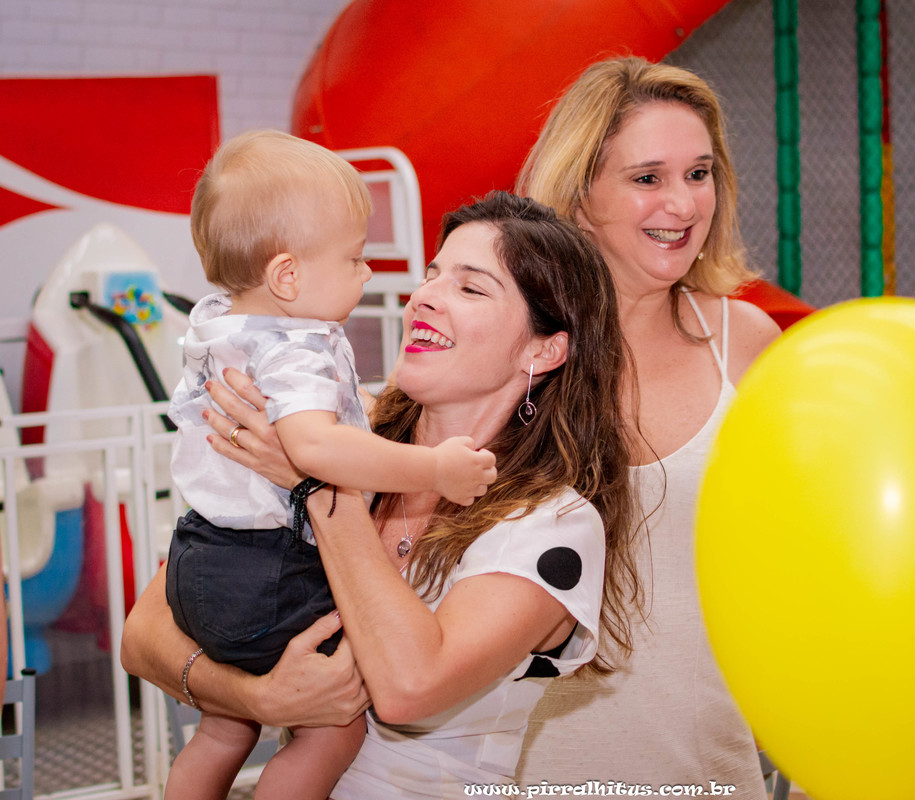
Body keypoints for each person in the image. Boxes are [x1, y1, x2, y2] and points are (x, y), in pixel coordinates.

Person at [122, 191, 640, 798]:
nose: (425, 296)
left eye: (470, 288)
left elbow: (408, 688)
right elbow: (144, 632)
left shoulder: (551, 523)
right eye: (431, 274)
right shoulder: (339, 430)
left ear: (543, 349)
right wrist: (253, 697)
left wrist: (315, 484)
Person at [163, 130, 498, 799]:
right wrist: (432, 469)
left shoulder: (221, 323)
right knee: (334, 728)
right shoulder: (296, 349)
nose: (369, 273)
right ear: (287, 275)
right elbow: (314, 449)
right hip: (268, 569)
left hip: (199, 554)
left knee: (224, 732)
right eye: (354, 258)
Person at [513, 56, 782, 793]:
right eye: (647, 178)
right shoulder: (504, 353)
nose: (684, 203)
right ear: (579, 197)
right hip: (526, 774)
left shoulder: (747, 344)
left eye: (700, 174)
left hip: (706, 768)